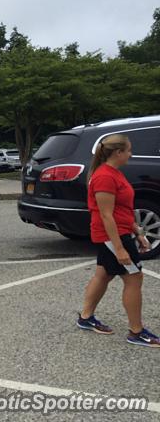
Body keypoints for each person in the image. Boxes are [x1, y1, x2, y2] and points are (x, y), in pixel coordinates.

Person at [77, 133, 159, 347]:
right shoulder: (105, 176)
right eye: (129, 150)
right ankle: (136, 331)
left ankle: (86, 317)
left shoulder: (115, 173)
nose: (131, 154)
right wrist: (120, 248)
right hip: (111, 236)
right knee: (134, 278)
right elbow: (106, 215)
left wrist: (138, 231)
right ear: (118, 152)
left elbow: (123, 209)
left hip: (121, 231)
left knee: (103, 274)